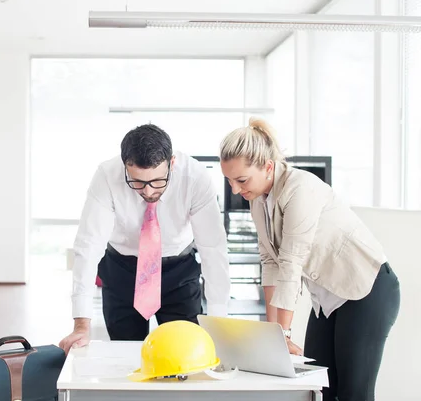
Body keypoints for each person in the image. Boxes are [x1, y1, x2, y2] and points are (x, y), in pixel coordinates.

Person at [219, 117, 400, 401]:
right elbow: (270, 264)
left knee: (355, 394)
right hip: (326, 300)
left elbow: (290, 263)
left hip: (367, 289)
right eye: (229, 181)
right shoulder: (257, 201)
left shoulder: (300, 188)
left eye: (241, 180)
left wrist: (284, 332)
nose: (235, 190)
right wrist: (272, 336)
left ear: (268, 166)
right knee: (321, 387)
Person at [59, 124, 231, 354]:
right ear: (125, 167)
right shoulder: (107, 176)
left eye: (158, 181)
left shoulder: (195, 177)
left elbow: (213, 248)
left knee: (184, 354)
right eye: (138, 182)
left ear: (172, 163)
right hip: (122, 270)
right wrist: (81, 324)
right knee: (125, 356)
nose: (148, 192)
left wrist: (218, 324)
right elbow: (88, 245)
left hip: (177, 271)